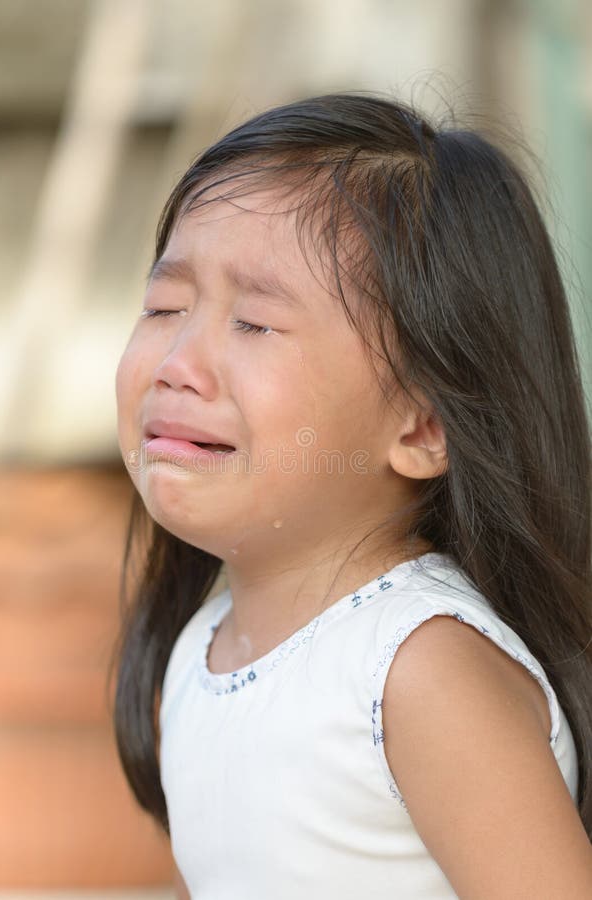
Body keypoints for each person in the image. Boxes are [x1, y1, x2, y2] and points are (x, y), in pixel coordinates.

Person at [111, 91, 592, 898]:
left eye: (256, 324)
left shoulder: (421, 671)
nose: (177, 362)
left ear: (424, 425)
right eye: (165, 307)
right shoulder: (205, 642)